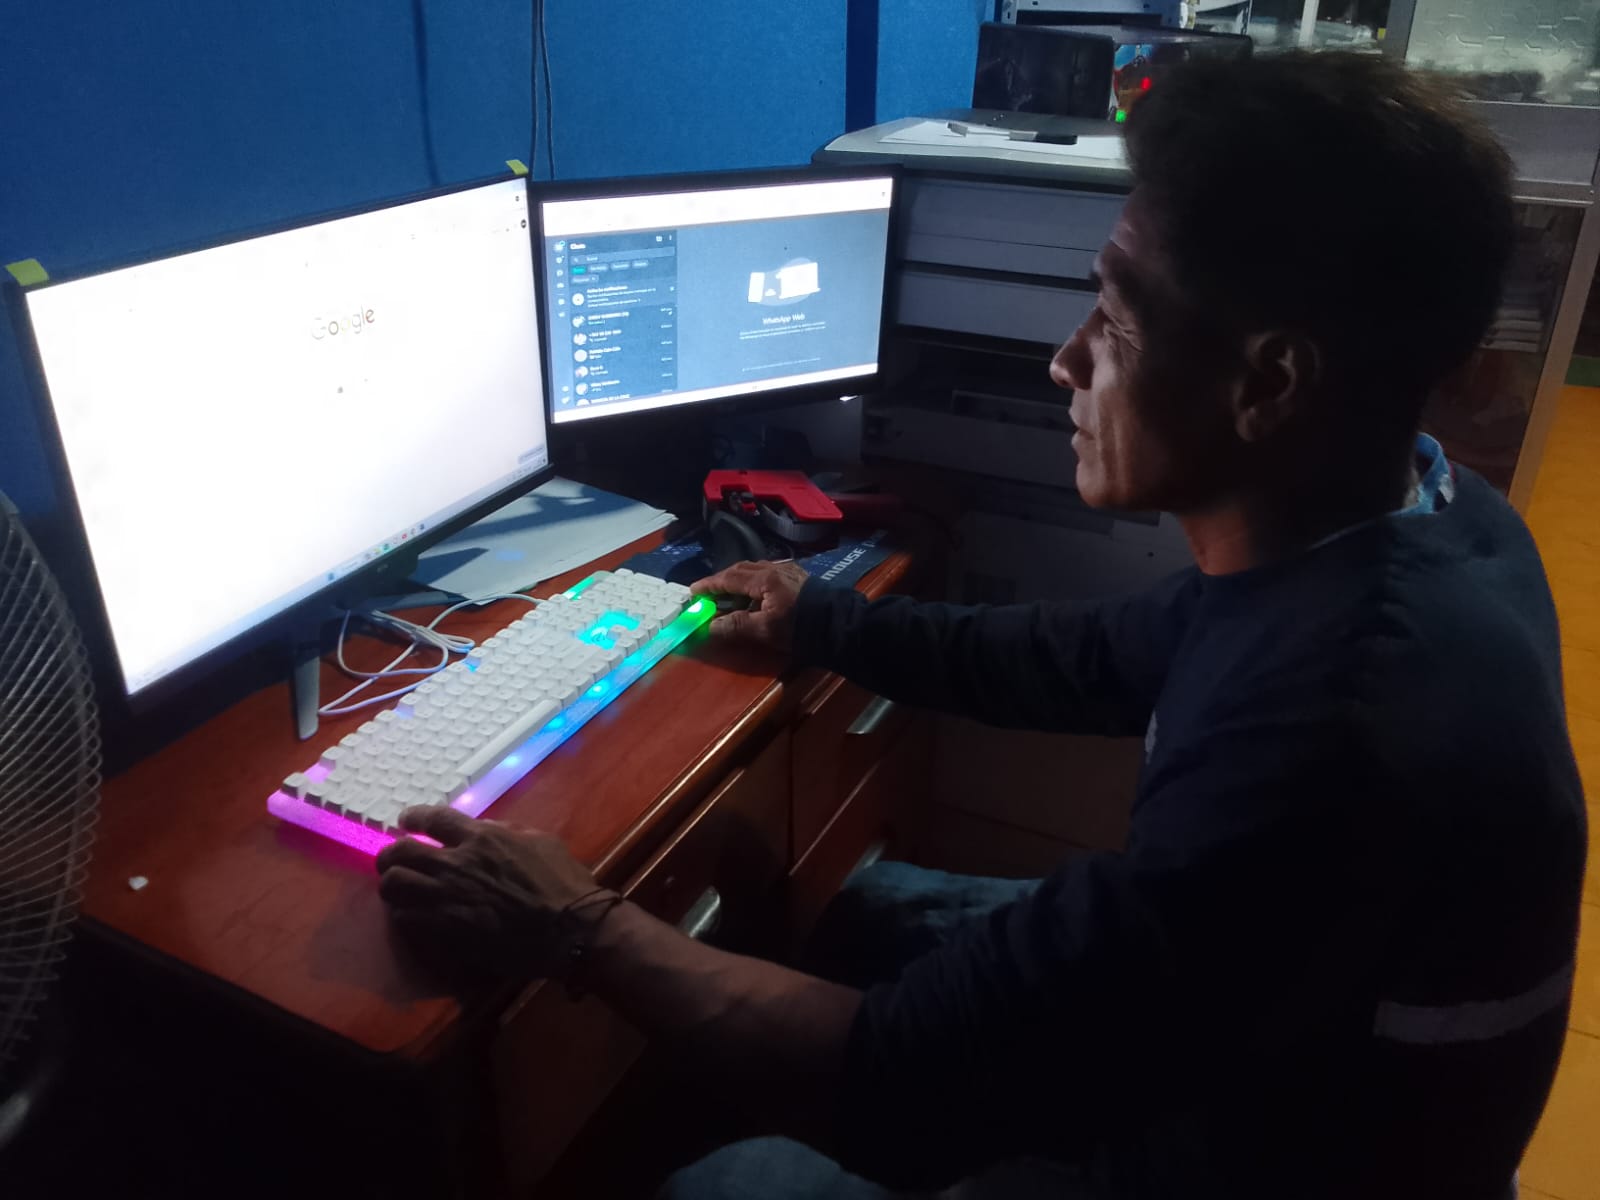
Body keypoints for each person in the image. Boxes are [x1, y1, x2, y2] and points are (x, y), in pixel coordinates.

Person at [373, 52, 1587, 1199]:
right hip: (1272, 1046)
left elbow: (886, 1084)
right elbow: (1095, 658)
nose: (1066, 362)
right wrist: (824, 622)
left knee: (720, 1184)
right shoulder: (1424, 519)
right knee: (859, 914)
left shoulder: (1334, 734)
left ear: (1269, 382)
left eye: (1114, 318)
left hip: (1248, 1160)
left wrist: (575, 927)